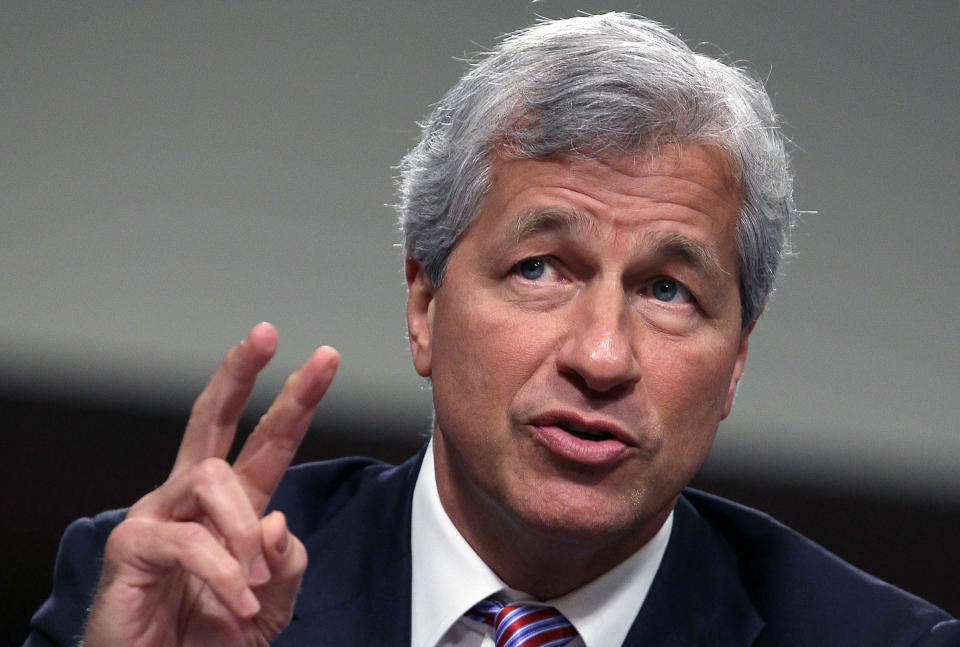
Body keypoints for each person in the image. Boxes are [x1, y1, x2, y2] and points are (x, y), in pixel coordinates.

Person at [26, 13, 958, 647]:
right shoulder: (166, 595)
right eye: (540, 268)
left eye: (669, 290)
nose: (601, 356)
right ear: (424, 306)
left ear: (737, 361)